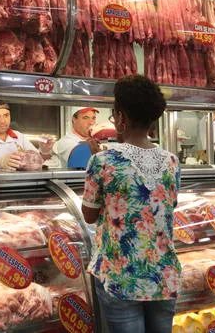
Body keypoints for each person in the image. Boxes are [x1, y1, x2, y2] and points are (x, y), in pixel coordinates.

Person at [81, 75, 181, 333]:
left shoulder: (102, 161)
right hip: (163, 274)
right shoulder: (171, 161)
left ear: (121, 118)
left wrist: (98, 163)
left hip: (120, 276)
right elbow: (166, 206)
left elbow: (89, 215)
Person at [0, 100, 53, 170]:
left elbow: (37, 161)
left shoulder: (18, 136)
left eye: (6, 115)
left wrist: (45, 152)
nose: (3, 121)